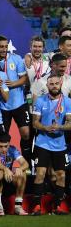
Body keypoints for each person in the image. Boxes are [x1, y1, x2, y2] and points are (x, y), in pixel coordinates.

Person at [31, 74, 71, 215]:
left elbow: (70, 123)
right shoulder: (40, 101)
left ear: (60, 84)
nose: (54, 86)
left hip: (60, 145)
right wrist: (46, 128)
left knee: (61, 175)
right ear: (47, 86)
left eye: (56, 83)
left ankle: (58, 206)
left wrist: (59, 127)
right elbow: (35, 122)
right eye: (51, 84)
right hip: (43, 143)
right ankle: (36, 206)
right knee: (40, 173)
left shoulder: (67, 102)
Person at [0, 35, 31, 162]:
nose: (4, 49)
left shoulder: (16, 59)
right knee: (3, 138)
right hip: (2, 106)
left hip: (19, 103)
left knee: (26, 133)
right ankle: (4, 163)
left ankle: (26, 162)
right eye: (1, 46)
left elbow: (25, 78)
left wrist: (13, 84)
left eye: (5, 46)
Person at [0, 132, 29, 216]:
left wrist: (20, 168)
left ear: (9, 144)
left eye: (6, 146)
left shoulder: (12, 149)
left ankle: (18, 207)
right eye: (0, 146)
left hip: (8, 179)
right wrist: (5, 169)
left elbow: (25, 164)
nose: (4, 149)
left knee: (23, 173)